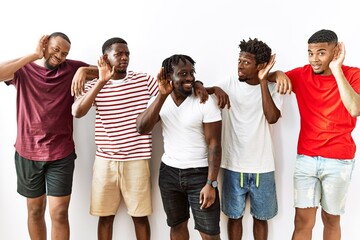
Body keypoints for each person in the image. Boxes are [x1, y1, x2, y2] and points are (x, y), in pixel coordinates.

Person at [71, 38, 214, 240]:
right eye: (118, 54)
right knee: (105, 218)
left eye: (127, 54)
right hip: (105, 161)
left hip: (136, 159)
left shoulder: (143, 80)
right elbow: (77, 111)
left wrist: (200, 84)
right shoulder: (96, 84)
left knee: (140, 217)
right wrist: (100, 80)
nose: (124, 58)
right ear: (105, 58)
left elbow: (176, 88)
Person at [0, 32, 97, 240]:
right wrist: (33, 55)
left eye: (64, 53)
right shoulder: (23, 69)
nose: (60, 56)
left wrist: (83, 70)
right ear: (44, 46)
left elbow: (105, 72)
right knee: (35, 210)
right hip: (27, 152)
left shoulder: (71, 68)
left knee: (59, 213)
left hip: (61, 153)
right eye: (55, 49)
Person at [276, 29, 360, 240]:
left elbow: (355, 109)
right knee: (302, 222)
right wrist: (278, 74)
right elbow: (270, 77)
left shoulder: (353, 74)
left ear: (336, 51)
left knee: (331, 220)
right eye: (310, 53)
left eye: (321, 53)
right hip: (306, 159)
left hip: (339, 161)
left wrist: (337, 69)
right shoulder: (302, 74)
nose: (314, 59)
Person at [136, 54, 222, 240]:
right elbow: (142, 128)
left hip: (200, 174)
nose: (190, 78)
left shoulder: (204, 101)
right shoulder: (159, 100)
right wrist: (161, 96)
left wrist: (211, 183)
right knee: (177, 227)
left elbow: (214, 145)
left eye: (192, 73)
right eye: (183, 73)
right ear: (169, 77)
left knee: (210, 234)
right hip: (169, 174)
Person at [207, 38, 282, 240]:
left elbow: (272, 117)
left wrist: (264, 80)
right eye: (239, 60)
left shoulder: (273, 87)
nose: (239, 66)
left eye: (246, 62)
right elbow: (199, 92)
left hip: (263, 166)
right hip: (233, 165)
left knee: (261, 218)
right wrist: (215, 89)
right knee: (234, 217)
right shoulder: (229, 83)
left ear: (260, 66)